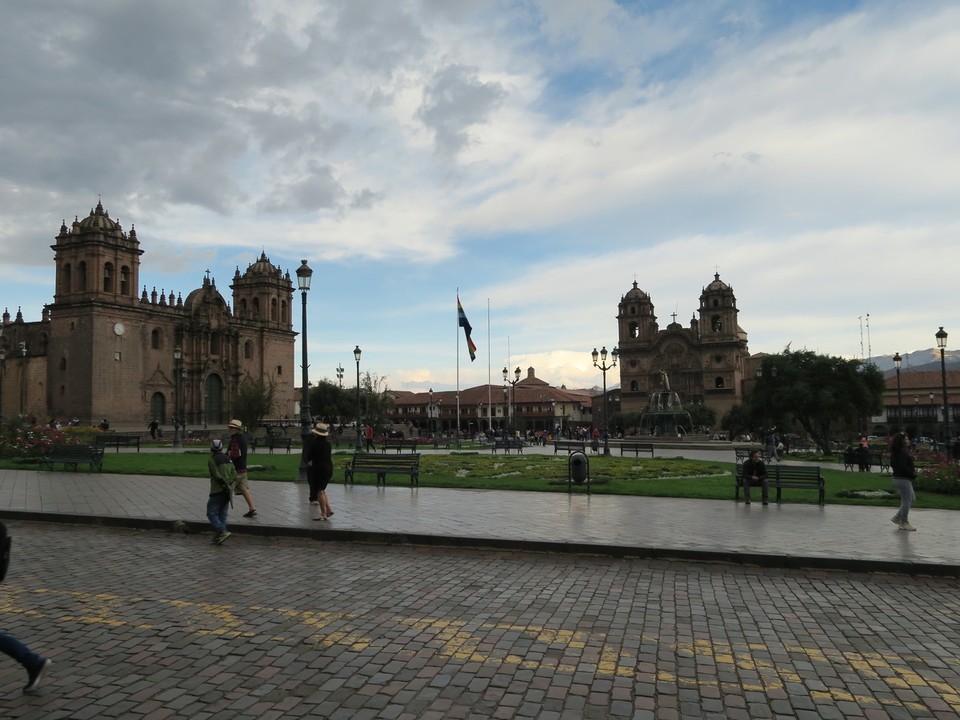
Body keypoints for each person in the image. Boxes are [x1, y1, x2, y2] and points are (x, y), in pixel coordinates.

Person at [207, 439, 237, 544]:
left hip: (217, 490)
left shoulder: (212, 460)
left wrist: (224, 483)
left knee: (211, 512)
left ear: (211, 448)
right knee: (222, 514)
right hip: (228, 492)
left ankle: (222, 531)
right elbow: (234, 475)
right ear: (221, 448)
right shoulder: (228, 459)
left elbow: (216, 475)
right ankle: (219, 536)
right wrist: (229, 484)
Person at [227, 419, 257, 518]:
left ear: (236, 429)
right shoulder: (243, 438)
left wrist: (226, 460)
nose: (229, 429)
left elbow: (234, 455)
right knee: (244, 489)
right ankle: (252, 508)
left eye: (231, 428)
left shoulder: (235, 440)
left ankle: (221, 509)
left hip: (236, 470)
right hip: (243, 468)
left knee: (226, 488)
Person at [305, 422, 335, 521]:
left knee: (320, 492)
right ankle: (329, 509)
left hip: (319, 469)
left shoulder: (315, 444)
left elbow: (309, 457)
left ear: (317, 433)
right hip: (328, 468)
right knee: (322, 490)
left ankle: (323, 513)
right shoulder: (328, 444)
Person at [889, 433, 917, 531]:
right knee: (907, 501)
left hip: (899, 478)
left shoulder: (897, 451)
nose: (908, 440)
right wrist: (912, 474)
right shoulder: (902, 452)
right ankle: (904, 522)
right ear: (902, 441)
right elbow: (902, 466)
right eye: (906, 439)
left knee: (911, 498)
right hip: (903, 479)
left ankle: (897, 517)